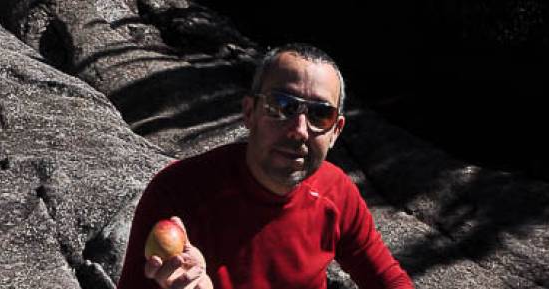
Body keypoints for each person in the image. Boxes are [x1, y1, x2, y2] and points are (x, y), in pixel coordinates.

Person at [116, 43, 414, 289]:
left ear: (336, 131)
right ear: (250, 113)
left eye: (320, 115)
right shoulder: (178, 195)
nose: (299, 129)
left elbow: (389, 281)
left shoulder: (336, 194)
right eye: (282, 106)